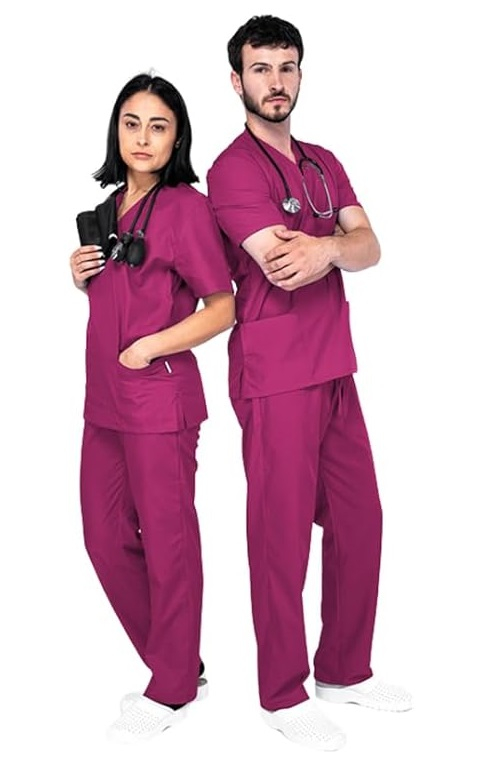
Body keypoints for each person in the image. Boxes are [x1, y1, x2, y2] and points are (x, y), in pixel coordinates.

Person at [207, 15, 412, 751]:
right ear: (237, 81)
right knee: (281, 534)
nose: (276, 82)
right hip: (276, 374)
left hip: (334, 366)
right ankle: (282, 692)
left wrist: (329, 248)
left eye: (286, 67)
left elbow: (370, 246)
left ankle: (344, 670)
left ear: (300, 73)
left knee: (361, 519)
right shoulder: (232, 170)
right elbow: (281, 262)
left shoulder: (324, 162)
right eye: (261, 69)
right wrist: (335, 247)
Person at [69, 73, 234, 743]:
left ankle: (170, 686)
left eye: (158, 126)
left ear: (176, 138)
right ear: (116, 131)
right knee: (103, 535)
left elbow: (221, 306)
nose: (142, 137)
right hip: (104, 402)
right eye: (131, 123)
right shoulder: (109, 209)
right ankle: (181, 662)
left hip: (159, 399)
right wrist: (80, 277)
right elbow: (119, 295)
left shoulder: (186, 209)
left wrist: (150, 347)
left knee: (168, 543)